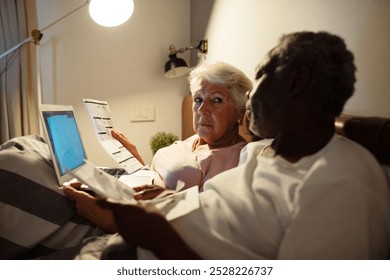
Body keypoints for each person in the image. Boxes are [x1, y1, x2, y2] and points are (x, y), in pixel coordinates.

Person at [94, 31, 390, 260]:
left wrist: (160, 239)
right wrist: (165, 201)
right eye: (199, 99)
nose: (249, 99)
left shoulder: (342, 183)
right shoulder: (264, 152)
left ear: (296, 82)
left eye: (261, 75)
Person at [0, 62, 252, 259]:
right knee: (33, 144)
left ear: (240, 111)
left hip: (130, 217)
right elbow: (164, 182)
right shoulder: (190, 142)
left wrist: (116, 222)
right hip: (125, 186)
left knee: (16, 166)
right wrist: (137, 162)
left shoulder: (237, 158)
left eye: (216, 100)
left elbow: (199, 225)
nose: (202, 109)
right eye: (198, 99)